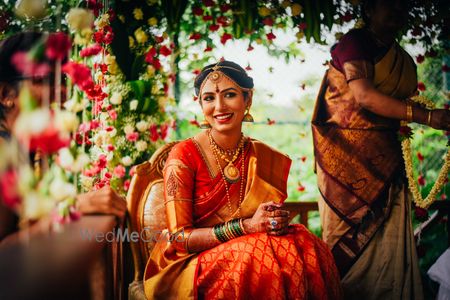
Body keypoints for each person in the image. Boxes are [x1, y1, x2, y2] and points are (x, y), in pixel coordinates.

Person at [143, 60, 342, 299]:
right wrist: (246, 227)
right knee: (258, 253)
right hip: (190, 261)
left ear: (247, 99)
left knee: (305, 242)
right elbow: (179, 239)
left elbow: (262, 218)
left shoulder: (262, 155)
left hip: (245, 246)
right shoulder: (184, 155)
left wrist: (273, 220)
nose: (219, 106)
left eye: (229, 95)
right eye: (208, 98)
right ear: (200, 104)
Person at [312, 0, 450, 299]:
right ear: (370, 8)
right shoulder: (355, 43)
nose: (398, 10)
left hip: (387, 158)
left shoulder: (399, 56)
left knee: (390, 244)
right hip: (346, 162)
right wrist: (427, 117)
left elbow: (396, 105)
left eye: (404, 5)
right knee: (350, 241)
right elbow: (364, 96)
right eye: (389, 3)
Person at [0, 32, 127, 244]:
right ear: (5, 95)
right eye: (43, 79)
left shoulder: (27, 149)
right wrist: (73, 206)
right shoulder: (5, 154)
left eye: (63, 79)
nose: (61, 91)